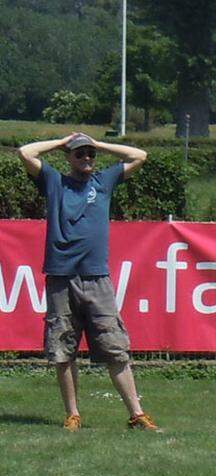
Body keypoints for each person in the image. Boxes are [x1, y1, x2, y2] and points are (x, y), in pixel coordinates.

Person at [17, 132, 157, 431]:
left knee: (115, 347)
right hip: (61, 277)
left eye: (90, 154)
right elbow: (26, 152)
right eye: (79, 154)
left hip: (97, 278)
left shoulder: (102, 182)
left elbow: (139, 156)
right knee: (63, 349)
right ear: (68, 157)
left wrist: (98, 143)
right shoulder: (55, 182)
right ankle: (73, 415)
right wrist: (62, 141)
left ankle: (137, 414)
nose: (87, 159)